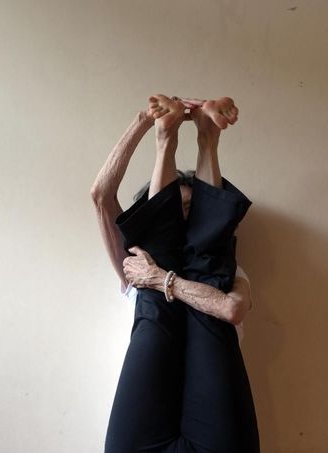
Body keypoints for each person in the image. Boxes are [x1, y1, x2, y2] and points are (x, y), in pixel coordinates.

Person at [91, 94, 260, 452]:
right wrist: (143, 121)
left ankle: (204, 139)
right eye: (179, 209)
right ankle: (178, 140)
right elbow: (101, 196)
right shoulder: (135, 262)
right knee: (183, 262)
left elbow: (230, 310)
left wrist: (159, 279)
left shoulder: (146, 272)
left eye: (192, 210)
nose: (185, 219)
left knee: (201, 275)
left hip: (192, 413)